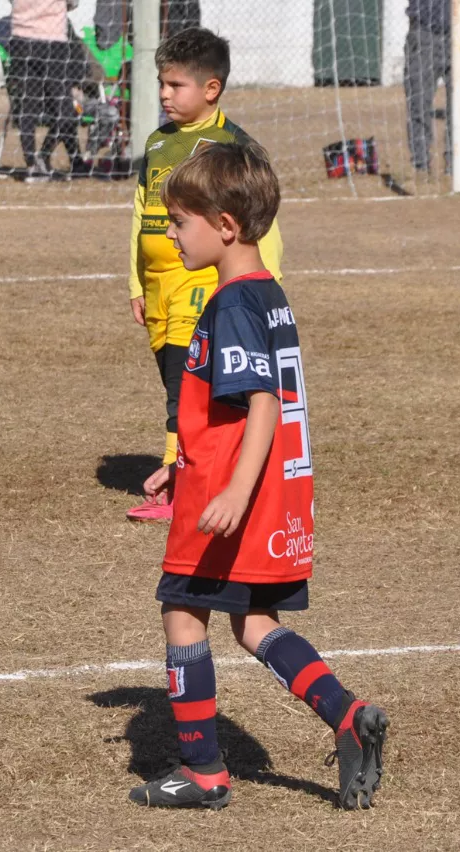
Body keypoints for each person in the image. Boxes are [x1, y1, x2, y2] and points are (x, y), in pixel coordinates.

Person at [126, 141, 389, 811]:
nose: (171, 234)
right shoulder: (267, 294)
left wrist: (232, 492)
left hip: (232, 500)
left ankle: (203, 771)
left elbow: (262, 402)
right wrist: (180, 465)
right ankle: (345, 713)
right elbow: (233, 413)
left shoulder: (234, 305)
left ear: (225, 225)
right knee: (252, 622)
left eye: (179, 221)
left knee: (182, 612)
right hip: (265, 492)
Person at [125, 26, 282, 523]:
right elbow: (140, 213)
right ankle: (196, 471)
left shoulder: (232, 148)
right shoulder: (157, 144)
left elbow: (260, 222)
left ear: (211, 88)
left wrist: (262, 287)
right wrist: (137, 282)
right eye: (161, 83)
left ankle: (181, 488)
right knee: (176, 383)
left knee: (184, 388)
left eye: (176, 85)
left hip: (201, 284)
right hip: (159, 287)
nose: (164, 94)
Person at [7, 0, 86, 179]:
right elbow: (73, 4)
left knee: (35, 106)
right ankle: (38, 159)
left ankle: (37, 160)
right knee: (57, 109)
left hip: (23, 40)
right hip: (49, 40)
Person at [404, 0, 451, 173]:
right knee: (419, 101)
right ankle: (421, 164)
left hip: (459, 33)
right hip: (424, 31)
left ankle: (455, 163)